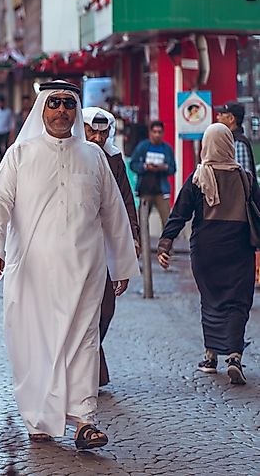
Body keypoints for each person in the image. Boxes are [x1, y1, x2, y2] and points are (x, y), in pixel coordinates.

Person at [0, 80, 139, 449]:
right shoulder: (21, 153)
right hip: (32, 270)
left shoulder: (94, 156)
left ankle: (85, 420)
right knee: (36, 343)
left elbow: (113, 212)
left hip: (86, 268)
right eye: (55, 104)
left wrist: (123, 265)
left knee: (84, 341)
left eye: (69, 103)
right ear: (42, 110)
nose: (62, 110)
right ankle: (39, 417)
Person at [158, 123, 259, 384]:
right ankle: (234, 355)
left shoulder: (198, 177)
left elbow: (180, 212)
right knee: (238, 301)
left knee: (211, 300)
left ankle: (211, 355)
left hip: (206, 249)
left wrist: (166, 242)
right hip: (239, 247)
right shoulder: (245, 177)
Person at [83, 107, 141, 387]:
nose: (96, 137)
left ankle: (89, 363)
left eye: (102, 132)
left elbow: (125, 198)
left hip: (106, 242)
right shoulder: (72, 156)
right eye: (91, 131)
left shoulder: (114, 158)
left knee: (105, 309)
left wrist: (133, 236)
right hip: (77, 243)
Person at [130, 121, 176, 228]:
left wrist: (164, 167)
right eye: (154, 132)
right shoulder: (143, 147)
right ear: (150, 133)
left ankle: (166, 243)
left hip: (161, 190)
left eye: (159, 132)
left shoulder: (167, 149)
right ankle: (141, 244)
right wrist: (145, 167)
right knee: (142, 222)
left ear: (163, 133)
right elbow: (133, 164)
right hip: (145, 190)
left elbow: (173, 168)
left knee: (167, 221)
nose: (157, 135)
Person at [216, 101, 256, 180]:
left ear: (231, 119)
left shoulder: (238, 143)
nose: (218, 117)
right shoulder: (230, 140)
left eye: (221, 115)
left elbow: (244, 178)